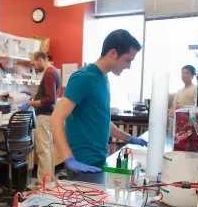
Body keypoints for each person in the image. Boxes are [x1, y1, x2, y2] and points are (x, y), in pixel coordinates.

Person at [50, 30, 147, 183]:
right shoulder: (84, 77)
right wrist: (69, 158)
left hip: (99, 159)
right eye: (128, 60)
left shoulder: (103, 78)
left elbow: (101, 119)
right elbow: (56, 119)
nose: (128, 66)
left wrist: (129, 138)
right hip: (82, 164)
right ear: (113, 53)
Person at [20, 52, 60, 186]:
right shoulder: (54, 71)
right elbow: (46, 94)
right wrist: (32, 94)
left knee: (43, 151)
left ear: (40, 60)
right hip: (49, 115)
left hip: (43, 116)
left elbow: (50, 99)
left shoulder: (49, 73)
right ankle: (48, 182)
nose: (33, 67)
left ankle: (43, 184)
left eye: (33, 64)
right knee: (48, 149)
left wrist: (30, 103)